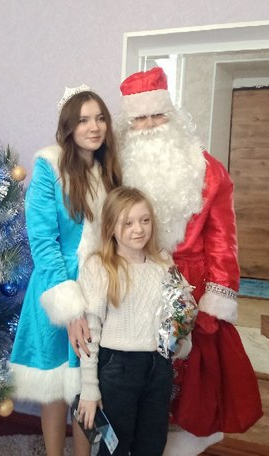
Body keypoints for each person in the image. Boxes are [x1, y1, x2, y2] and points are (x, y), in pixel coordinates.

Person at [116, 67, 263, 456]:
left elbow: (223, 239)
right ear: (128, 125)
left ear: (172, 115)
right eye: (140, 118)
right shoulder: (116, 169)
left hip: (192, 285)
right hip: (132, 283)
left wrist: (217, 296)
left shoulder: (207, 169)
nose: (150, 126)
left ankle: (182, 440)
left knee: (192, 378)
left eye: (157, 115)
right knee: (137, 369)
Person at [8, 85, 122, 456]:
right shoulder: (49, 167)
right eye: (84, 120)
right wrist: (70, 309)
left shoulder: (110, 171)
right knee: (57, 386)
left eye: (100, 118)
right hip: (58, 286)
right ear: (69, 127)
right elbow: (43, 243)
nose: (94, 127)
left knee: (88, 385)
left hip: (99, 287)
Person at [76, 186, 195, 456]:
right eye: (127, 223)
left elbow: (179, 312)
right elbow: (91, 332)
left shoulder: (163, 262)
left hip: (158, 368)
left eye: (145, 220)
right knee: (113, 448)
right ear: (110, 227)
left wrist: (181, 344)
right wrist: (89, 389)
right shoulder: (99, 267)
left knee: (152, 444)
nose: (139, 229)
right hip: (117, 369)